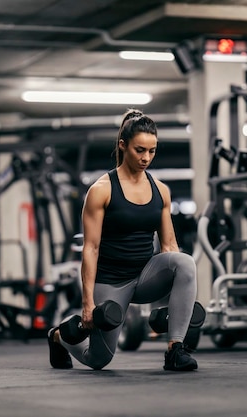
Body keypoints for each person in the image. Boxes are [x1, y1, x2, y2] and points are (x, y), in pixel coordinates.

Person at [47, 108, 199, 371]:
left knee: (185, 263)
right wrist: (88, 304)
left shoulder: (161, 190)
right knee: (100, 360)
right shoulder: (101, 190)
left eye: (152, 151)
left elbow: (169, 247)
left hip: (145, 275)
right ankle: (59, 337)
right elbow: (91, 249)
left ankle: (176, 350)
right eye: (140, 150)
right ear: (123, 145)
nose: (146, 158)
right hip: (112, 281)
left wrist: (177, 301)